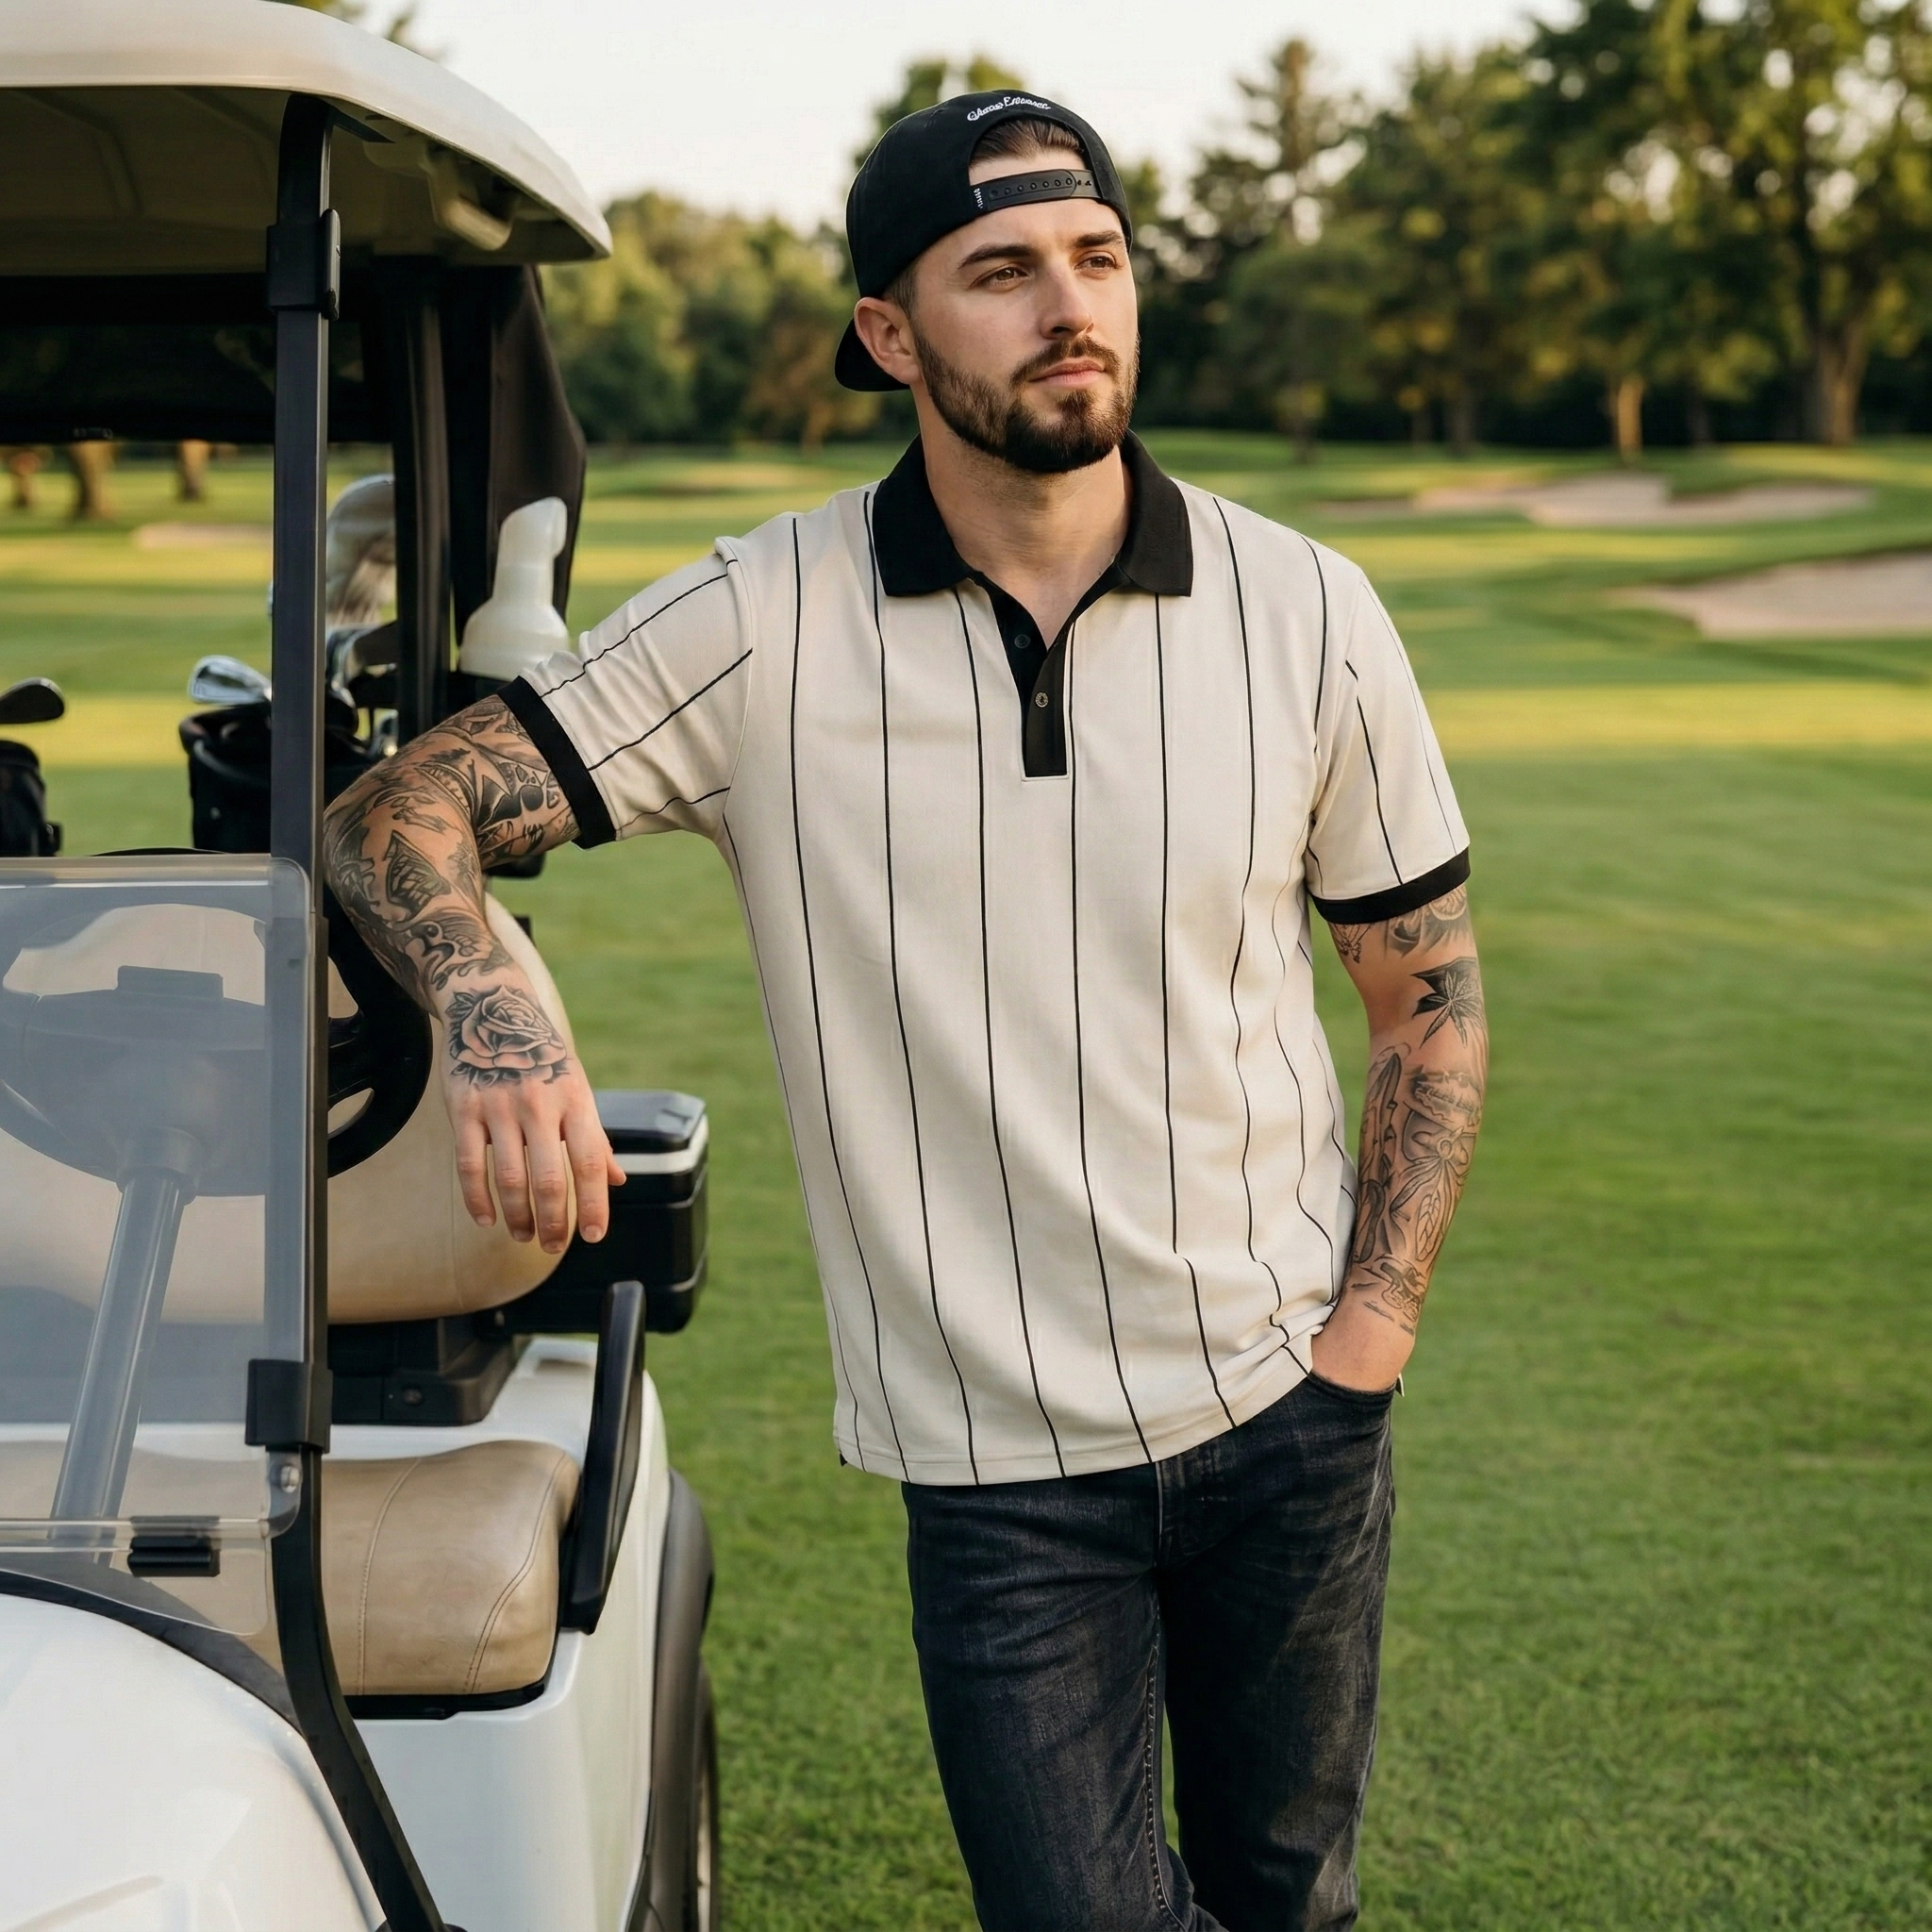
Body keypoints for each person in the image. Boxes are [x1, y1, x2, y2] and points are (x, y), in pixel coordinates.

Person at [325, 90, 1488, 1932]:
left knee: (1289, 1892)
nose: (1066, 305)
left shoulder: (1308, 606)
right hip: (996, 1474)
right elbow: (397, 811)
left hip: (1289, 1412)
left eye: (1095, 258)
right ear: (889, 332)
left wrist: (1371, 1337)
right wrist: (499, 996)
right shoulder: (760, 620)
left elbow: (1423, 1000)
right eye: (1000, 269)